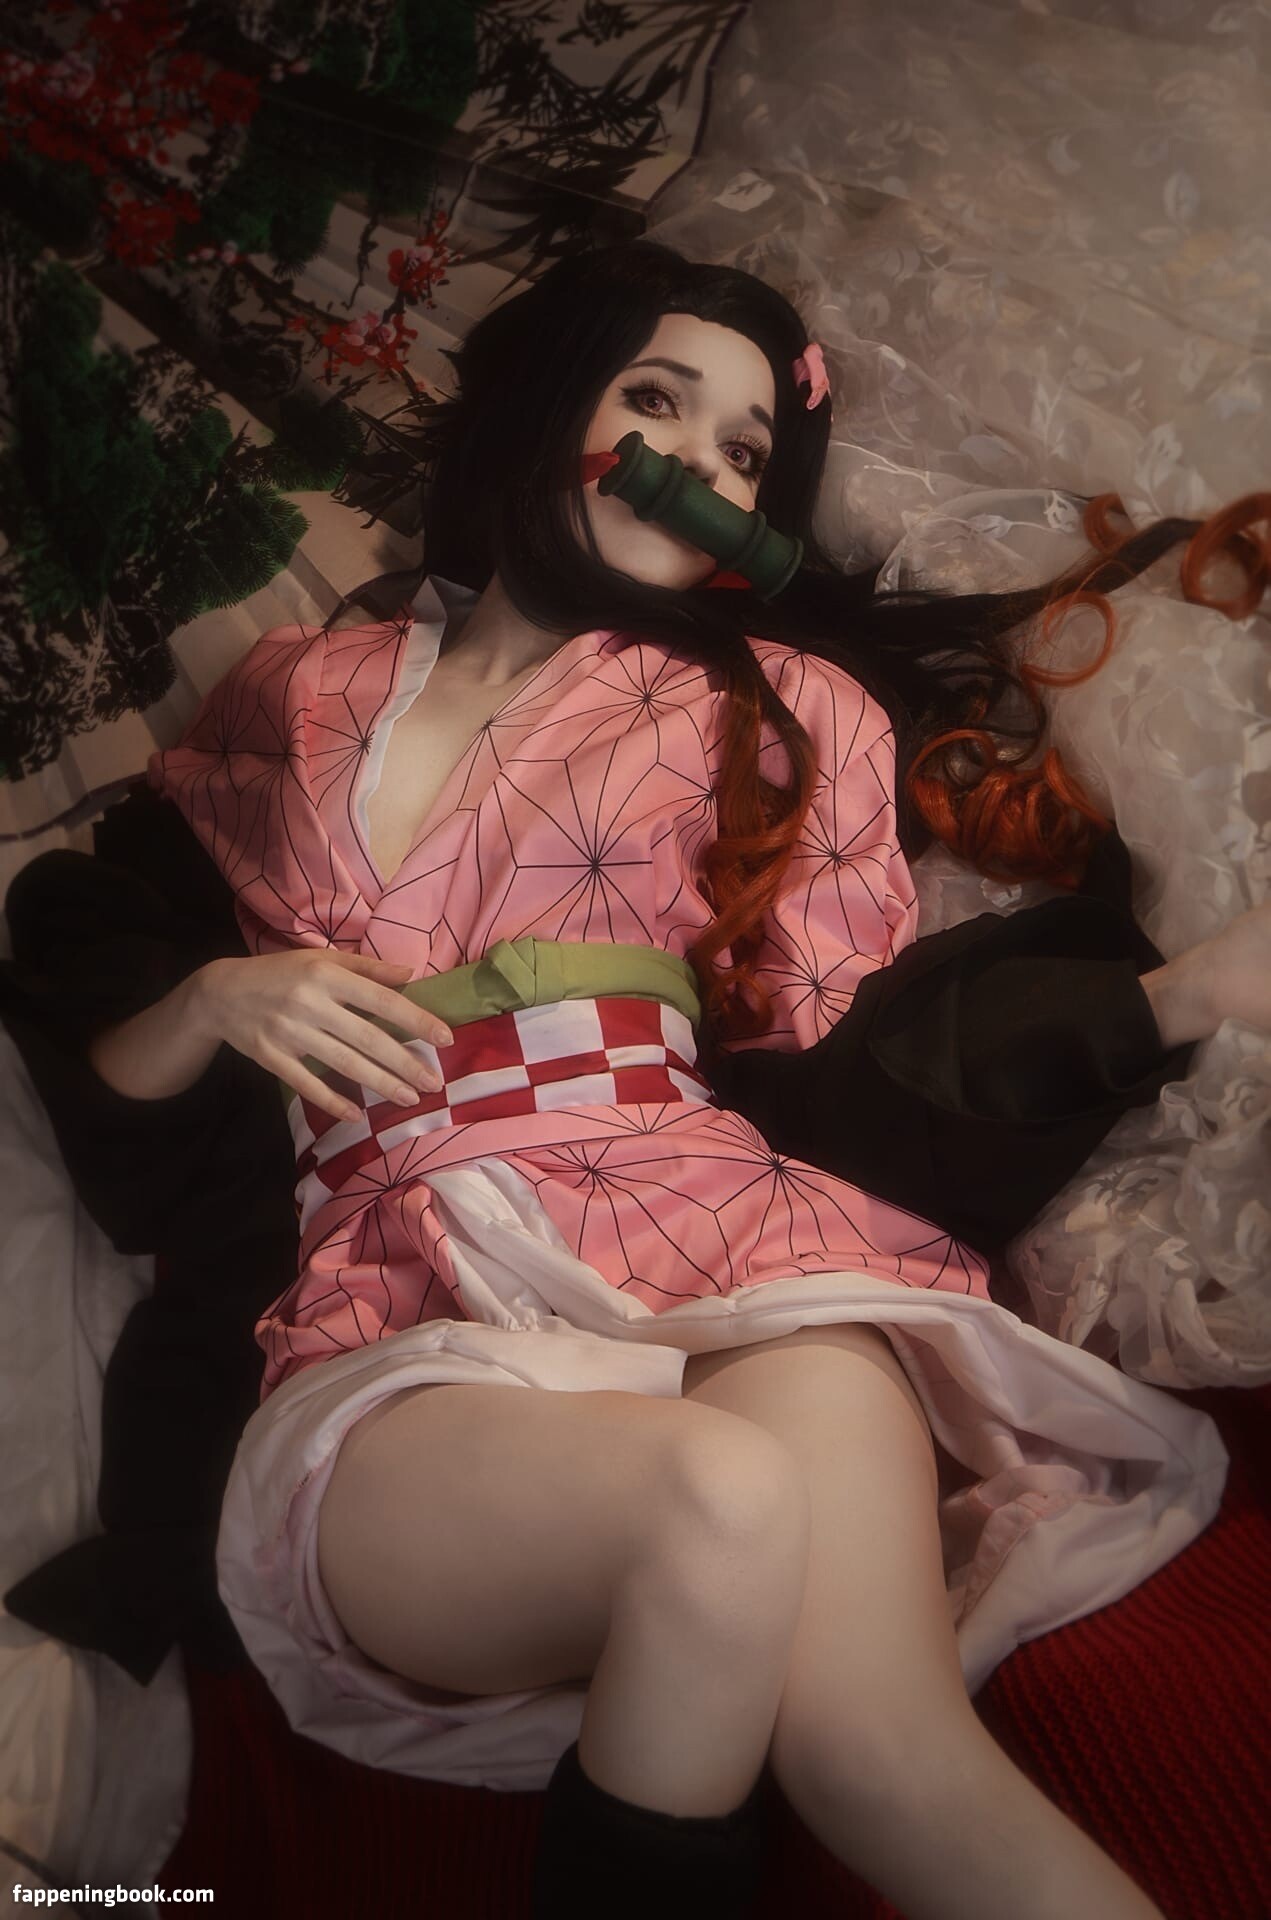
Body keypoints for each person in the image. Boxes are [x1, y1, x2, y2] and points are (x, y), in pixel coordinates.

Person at [10, 241, 1266, 1920]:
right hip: (396, 1282)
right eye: (657, 400)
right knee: (716, 1501)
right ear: (551, 405)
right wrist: (215, 997)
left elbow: (845, 1069)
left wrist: (1174, 997)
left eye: (748, 450)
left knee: (883, 1747)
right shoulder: (292, 692)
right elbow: (112, 1079)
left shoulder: (783, 706)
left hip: (728, 1233)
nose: (700, 463)